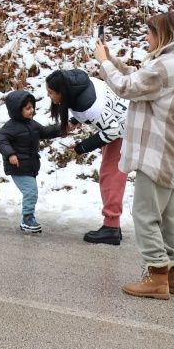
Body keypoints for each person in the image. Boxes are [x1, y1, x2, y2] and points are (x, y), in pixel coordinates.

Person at [95, 11, 174, 300]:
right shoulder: (170, 62)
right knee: (169, 214)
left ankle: (156, 276)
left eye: (149, 32)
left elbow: (127, 87)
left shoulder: (165, 66)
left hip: (157, 150)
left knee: (145, 213)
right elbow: (138, 80)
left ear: (161, 34)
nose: (146, 37)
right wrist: (111, 60)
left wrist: (102, 63)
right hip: (169, 148)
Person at [46, 69, 129, 245]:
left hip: (124, 128)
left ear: (63, 92)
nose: (49, 96)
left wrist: (81, 147)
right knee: (110, 175)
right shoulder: (80, 84)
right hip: (121, 120)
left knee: (111, 176)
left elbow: (112, 129)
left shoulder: (91, 107)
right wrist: (75, 122)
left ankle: (111, 228)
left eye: (51, 93)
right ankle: (113, 226)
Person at [0, 90, 62, 234]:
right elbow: (1, 141)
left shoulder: (32, 124)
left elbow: (45, 131)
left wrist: (62, 128)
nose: (32, 110)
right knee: (31, 191)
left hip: (29, 165)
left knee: (31, 191)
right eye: (27, 108)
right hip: (17, 166)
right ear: (17, 110)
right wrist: (10, 154)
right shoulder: (10, 127)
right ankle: (27, 218)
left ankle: (27, 218)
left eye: (32, 107)